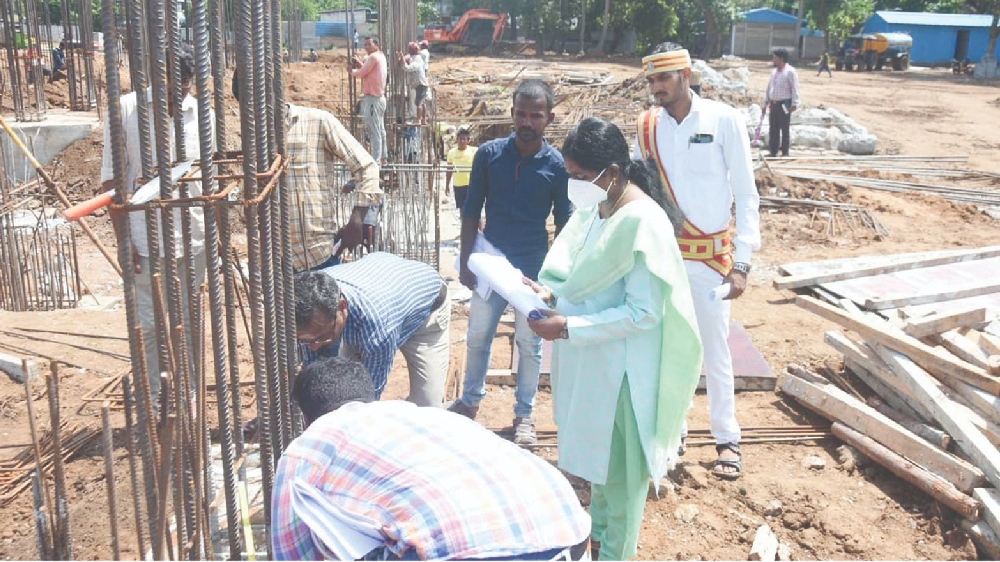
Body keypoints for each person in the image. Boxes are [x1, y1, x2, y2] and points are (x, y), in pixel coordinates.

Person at [525, 117, 702, 561]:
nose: (574, 185)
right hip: (593, 367)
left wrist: (569, 327)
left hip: (623, 377)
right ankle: (598, 545)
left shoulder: (643, 222)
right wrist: (550, 294)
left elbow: (644, 313)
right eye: (570, 174)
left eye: (581, 176)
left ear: (614, 172)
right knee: (599, 472)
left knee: (621, 484)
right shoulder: (599, 209)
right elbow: (583, 279)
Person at [271, 357, 592, 561]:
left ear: (306, 417)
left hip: (461, 552)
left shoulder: (309, 447)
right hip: (568, 530)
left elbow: (292, 551)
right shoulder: (431, 417)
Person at [634, 42, 760, 480]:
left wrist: (742, 263)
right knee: (668, 348)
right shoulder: (647, 127)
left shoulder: (724, 120)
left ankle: (727, 438)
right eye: (651, 79)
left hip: (712, 261)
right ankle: (675, 432)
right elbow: (640, 191)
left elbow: (746, 194)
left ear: (685, 75)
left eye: (663, 78)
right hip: (666, 257)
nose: (656, 87)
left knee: (714, 349)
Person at [448, 79, 572, 446]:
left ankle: (525, 415)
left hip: (532, 269)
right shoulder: (489, 155)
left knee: (529, 344)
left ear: (549, 118)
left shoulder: (556, 165)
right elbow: (472, 210)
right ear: (512, 114)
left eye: (536, 116)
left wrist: (556, 279)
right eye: (521, 114)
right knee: (477, 336)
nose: (527, 122)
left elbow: (564, 223)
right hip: (490, 262)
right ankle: (470, 401)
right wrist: (466, 262)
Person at [100, 45, 212, 405]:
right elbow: (112, 181)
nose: (176, 96)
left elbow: (209, 180)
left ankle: (189, 400)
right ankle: (155, 403)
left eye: (184, 86)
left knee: (190, 324)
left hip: (192, 239)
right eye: (170, 87)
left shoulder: (203, 115)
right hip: (144, 241)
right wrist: (123, 240)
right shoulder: (126, 110)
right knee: (148, 326)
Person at [233, 70, 379, 271]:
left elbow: (367, 167)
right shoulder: (254, 140)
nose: (257, 112)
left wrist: (358, 219)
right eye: (249, 107)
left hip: (320, 256)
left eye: (260, 101)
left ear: (274, 92)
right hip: (277, 263)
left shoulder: (318, 122)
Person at [294, 252, 450, 407]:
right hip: (384, 296)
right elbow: (316, 373)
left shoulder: (376, 329)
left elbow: (368, 397)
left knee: (428, 404)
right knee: (341, 389)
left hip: (426, 313)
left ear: (342, 307)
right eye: (306, 340)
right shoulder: (313, 295)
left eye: (321, 337)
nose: (314, 346)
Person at [349, 36, 388, 166]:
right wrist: (360, 65)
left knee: (375, 131)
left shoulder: (372, 57)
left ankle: (376, 162)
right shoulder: (381, 56)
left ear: (376, 45)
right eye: (365, 44)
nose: (366, 47)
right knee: (380, 130)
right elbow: (368, 71)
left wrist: (352, 71)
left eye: (369, 44)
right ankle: (384, 157)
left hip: (372, 100)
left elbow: (362, 73)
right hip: (380, 98)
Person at [762, 48, 800, 157]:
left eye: (775, 57)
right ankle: (773, 151)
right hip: (774, 104)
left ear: (781, 58)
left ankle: (785, 152)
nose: (773, 60)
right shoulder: (774, 72)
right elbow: (769, 88)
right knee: (773, 128)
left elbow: (795, 88)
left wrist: (795, 103)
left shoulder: (790, 71)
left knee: (784, 128)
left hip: (784, 104)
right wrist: (765, 102)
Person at [446, 127, 476, 211]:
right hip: (458, 185)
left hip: (471, 184)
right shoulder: (451, 152)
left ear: (468, 140)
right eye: (460, 139)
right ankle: (463, 220)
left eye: (464, 139)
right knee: (462, 209)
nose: (462, 141)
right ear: (457, 139)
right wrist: (447, 185)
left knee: (473, 209)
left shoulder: (474, 151)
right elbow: (449, 170)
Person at [398, 42, 428, 125]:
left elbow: (407, 68)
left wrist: (402, 59)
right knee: (422, 102)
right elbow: (406, 58)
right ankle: (423, 120)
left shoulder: (416, 61)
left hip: (421, 84)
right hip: (421, 84)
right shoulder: (415, 57)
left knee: (418, 103)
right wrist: (403, 58)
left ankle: (418, 120)